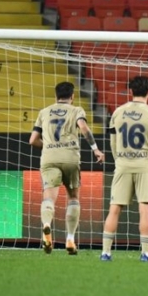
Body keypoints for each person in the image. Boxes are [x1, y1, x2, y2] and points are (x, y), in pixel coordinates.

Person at [29, 81, 105, 255]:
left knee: (48, 197)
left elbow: (32, 140)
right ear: (72, 96)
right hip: (70, 157)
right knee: (73, 198)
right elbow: (84, 128)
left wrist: (48, 146)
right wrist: (95, 149)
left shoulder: (44, 112)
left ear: (56, 96)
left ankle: (47, 226)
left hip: (49, 158)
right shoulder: (77, 110)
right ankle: (70, 239)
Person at [100, 76, 148, 262]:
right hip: (145, 166)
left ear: (130, 91)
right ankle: (146, 254)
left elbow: (113, 142)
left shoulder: (118, 112)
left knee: (114, 209)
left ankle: (106, 252)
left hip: (122, 164)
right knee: (145, 210)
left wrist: (119, 161)